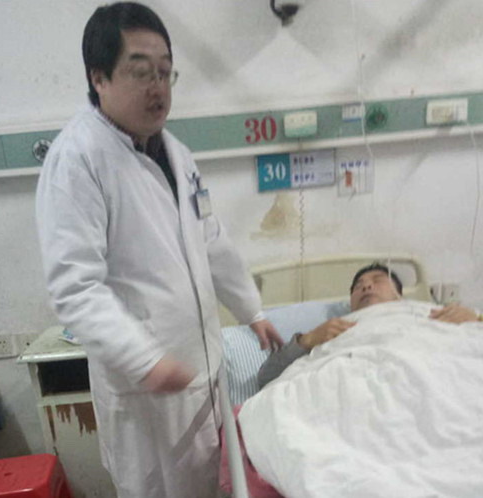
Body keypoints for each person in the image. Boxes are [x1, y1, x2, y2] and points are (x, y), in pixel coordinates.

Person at [35, 3, 282, 497]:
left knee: (208, 484)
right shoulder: (78, 160)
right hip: (147, 392)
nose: (158, 87)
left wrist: (251, 309)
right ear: (99, 77)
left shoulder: (176, 153)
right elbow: (75, 288)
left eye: (166, 73)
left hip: (200, 374)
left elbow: (211, 239)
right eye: (141, 71)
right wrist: (145, 359)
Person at [258, 263, 481, 389]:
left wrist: (477, 320)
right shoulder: (335, 330)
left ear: (399, 294)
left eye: (378, 280)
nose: (366, 287)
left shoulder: (431, 312)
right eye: (358, 286)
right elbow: (267, 378)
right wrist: (306, 341)